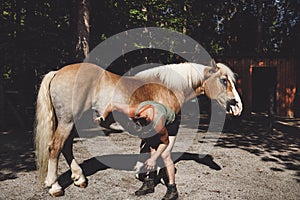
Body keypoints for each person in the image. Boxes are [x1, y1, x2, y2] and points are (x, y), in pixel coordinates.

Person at [95, 101, 179, 200]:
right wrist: (102, 117)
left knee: (165, 155)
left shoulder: (158, 124)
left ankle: (172, 189)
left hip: (171, 124)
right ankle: (150, 183)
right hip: (151, 115)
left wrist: (154, 158)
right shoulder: (132, 111)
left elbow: (164, 142)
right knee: (151, 149)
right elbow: (112, 105)